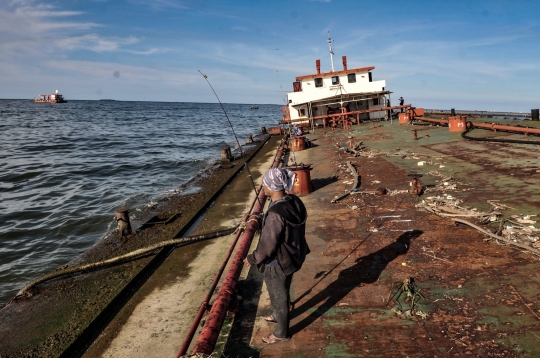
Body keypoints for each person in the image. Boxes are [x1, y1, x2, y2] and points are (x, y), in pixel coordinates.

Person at [244, 168, 309, 344]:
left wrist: (252, 258)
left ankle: (281, 333)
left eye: (264, 183)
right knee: (284, 289)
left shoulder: (275, 214)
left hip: (278, 263)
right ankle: (277, 314)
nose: (263, 186)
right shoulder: (294, 201)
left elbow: (267, 246)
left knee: (278, 296)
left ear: (272, 186)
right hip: (294, 256)